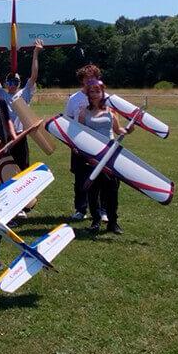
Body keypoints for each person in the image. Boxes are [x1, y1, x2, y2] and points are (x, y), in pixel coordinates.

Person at [78, 79, 133, 234]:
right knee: (93, 191)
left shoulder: (111, 111)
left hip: (110, 156)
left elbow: (118, 130)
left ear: (102, 93)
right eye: (92, 91)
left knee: (112, 190)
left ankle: (113, 222)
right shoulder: (83, 112)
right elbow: (79, 134)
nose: (95, 94)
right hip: (92, 156)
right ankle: (95, 221)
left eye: (98, 91)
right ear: (88, 94)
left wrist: (128, 129)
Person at [0, 38, 42, 170]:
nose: (12, 85)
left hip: (21, 135)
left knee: (23, 168)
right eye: (10, 82)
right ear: (5, 83)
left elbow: (34, 75)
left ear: (19, 83)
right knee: (5, 168)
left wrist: (36, 52)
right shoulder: (0, 93)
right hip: (4, 136)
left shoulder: (25, 93)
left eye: (15, 82)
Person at [64, 63, 103, 222]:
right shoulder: (73, 99)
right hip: (78, 144)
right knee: (80, 179)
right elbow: (67, 121)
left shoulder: (103, 97)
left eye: (93, 78)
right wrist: (72, 144)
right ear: (82, 80)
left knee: (101, 178)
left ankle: (102, 210)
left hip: (99, 145)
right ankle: (80, 209)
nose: (90, 81)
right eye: (87, 78)